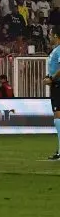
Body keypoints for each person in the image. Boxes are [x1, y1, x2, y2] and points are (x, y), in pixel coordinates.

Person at [42, 29, 60, 160]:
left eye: (50, 34)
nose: (49, 37)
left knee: (58, 117)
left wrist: (52, 79)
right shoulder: (55, 50)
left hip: (58, 85)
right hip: (55, 85)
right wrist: (48, 78)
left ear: (56, 36)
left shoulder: (59, 50)